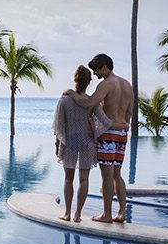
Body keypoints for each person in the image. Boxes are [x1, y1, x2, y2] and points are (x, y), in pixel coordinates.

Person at [65, 54, 133, 223]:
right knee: (118, 174)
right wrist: (124, 126)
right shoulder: (127, 85)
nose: (95, 74)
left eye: (96, 70)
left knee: (107, 176)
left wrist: (72, 94)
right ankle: (122, 213)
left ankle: (107, 215)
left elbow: (89, 104)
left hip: (109, 133)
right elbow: (130, 112)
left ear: (104, 66)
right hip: (122, 132)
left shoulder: (106, 84)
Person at [53, 65, 113, 222]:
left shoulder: (64, 100)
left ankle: (67, 213)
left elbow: (58, 126)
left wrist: (58, 143)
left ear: (75, 80)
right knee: (84, 179)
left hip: (70, 142)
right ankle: (78, 214)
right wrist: (121, 123)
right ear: (88, 82)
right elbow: (105, 122)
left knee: (68, 178)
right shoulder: (91, 102)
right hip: (87, 142)